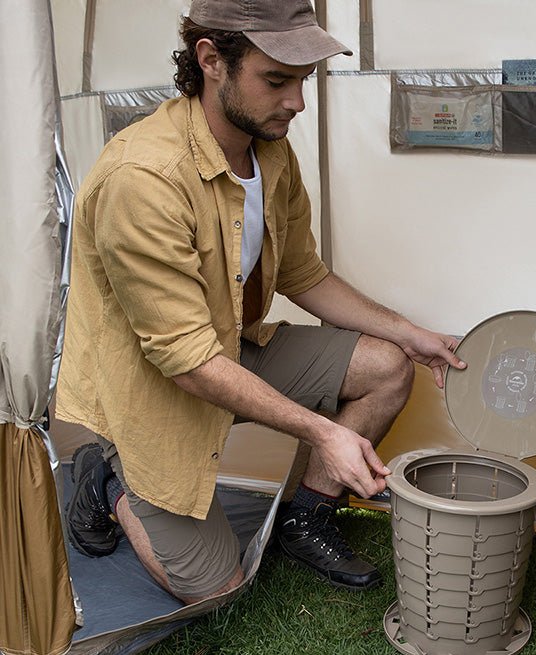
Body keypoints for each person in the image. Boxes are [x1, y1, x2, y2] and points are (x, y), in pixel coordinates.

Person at [56, 0, 465, 604]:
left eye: (302, 80)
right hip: (158, 383)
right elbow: (186, 360)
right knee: (218, 590)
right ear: (211, 61)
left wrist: (408, 333)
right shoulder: (141, 178)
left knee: (387, 365)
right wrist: (323, 432)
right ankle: (108, 478)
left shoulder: (270, 149)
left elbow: (304, 274)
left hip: (227, 351)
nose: (297, 101)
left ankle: (307, 519)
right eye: (277, 80)